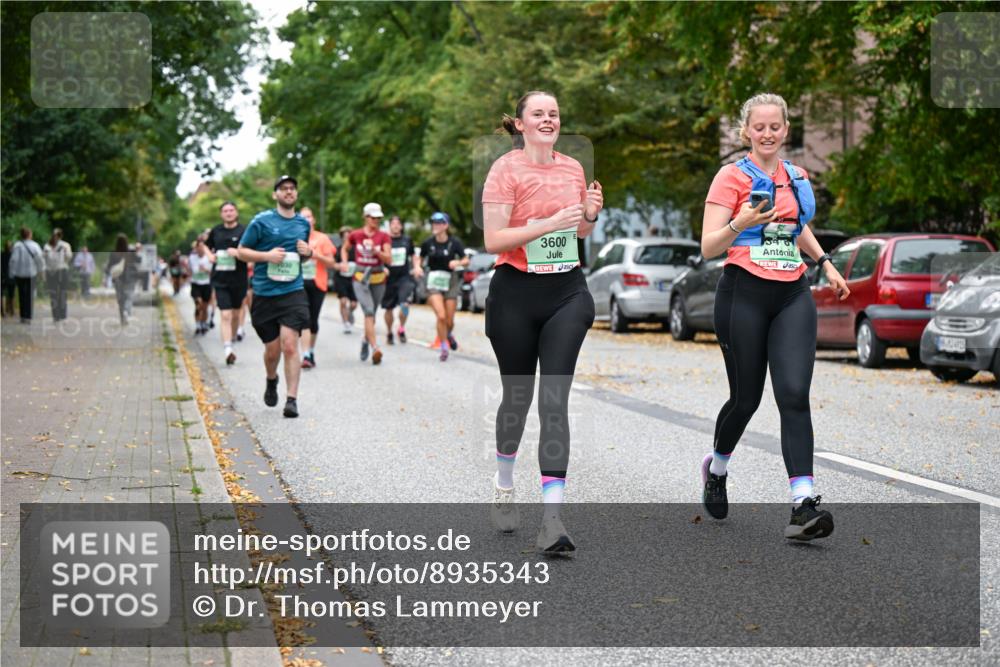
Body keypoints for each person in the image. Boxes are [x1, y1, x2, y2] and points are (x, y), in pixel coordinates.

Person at [699, 92, 850, 541]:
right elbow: (709, 246)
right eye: (759, 127)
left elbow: (794, 225)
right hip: (743, 292)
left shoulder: (796, 176)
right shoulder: (730, 177)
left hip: (792, 293)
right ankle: (717, 468)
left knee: (794, 393)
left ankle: (802, 505)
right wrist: (740, 221)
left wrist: (825, 262)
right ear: (747, 131)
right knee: (746, 398)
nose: (767, 133)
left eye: (775, 126)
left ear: (785, 129)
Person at [481, 91, 602, 554]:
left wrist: (588, 214)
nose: (548, 119)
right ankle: (505, 483)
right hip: (514, 292)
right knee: (517, 397)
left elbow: (579, 232)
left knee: (554, 398)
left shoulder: (572, 168)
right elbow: (495, 240)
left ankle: (552, 518)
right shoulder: (505, 170)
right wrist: (549, 222)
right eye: (539, 113)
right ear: (521, 123)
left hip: (566, 292)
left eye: (554, 114)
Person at [237, 175, 312, 418]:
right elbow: (241, 252)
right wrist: (267, 256)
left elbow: (302, 255)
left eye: (292, 189)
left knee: (290, 345)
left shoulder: (303, 224)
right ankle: (272, 379)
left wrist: (308, 253)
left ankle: (292, 400)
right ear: (275, 194)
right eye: (283, 189)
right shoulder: (262, 221)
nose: (288, 192)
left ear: (296, 194)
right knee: (272, 350)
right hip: (264, 293)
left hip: (293, 291)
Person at [342, 203, 392, 365]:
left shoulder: (384, 236)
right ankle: (375, 347)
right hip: (360, 279)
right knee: (369, 311)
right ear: (365, 217)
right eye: (373, 217)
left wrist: (376, 251)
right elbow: (344, 249)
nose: (376, 220)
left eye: (378, 218)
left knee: (372, 315)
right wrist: (344, 262)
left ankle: (365, 340)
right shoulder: (356, 235)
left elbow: (389, 259)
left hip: (378, 279)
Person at [415, 212, 468, 361]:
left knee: (450, 320)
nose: (435, 226)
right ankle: (444, 346)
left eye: (439, 223)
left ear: (446, 225)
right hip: (433, 281)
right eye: (433, 223)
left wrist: (457, 263)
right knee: (441, 315)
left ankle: (448, 333)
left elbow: (466, 259)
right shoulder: (428, 243)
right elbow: (419, 258)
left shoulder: (454, 243)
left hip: (450, 281)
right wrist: (418, 267)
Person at [205, 201, 248, 364]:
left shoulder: (244, 231)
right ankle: (228, 348)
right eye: (225, 211)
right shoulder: (216, 231)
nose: (228, 213)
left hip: (239, 279)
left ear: (236, 213)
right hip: (220, 279)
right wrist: (209, 255)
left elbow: (252, 251)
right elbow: (205, 246)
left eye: (231, 210)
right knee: (225, 314)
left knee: (236, 314)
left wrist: (238, 253)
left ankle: (233, 337)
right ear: (221, 214)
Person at [297, 207, 338, 369]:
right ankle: (305, 355)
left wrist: (315, 255)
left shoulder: (322, 238)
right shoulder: (295, 237)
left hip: (318, 283)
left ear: (313, 220)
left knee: (313, 320)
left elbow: (332, 263)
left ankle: (311, 350)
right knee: (304, 318)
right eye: (303, 217)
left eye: (309, 216)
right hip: (298, 284)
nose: (306, 219)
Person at [381, 215, 416, 345]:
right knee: (388, 309)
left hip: (404, 277)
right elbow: (379, 257)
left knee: (405, 305)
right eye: (393, 223)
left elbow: (413, 255)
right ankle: (389, 331)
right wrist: (382, 268)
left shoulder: (407, 240)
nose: (395, 226)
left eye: (398, 224)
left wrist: (416, 267)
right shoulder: (385, 240)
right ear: (390, 226)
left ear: (401, 226)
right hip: (388, 279)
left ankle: (401, 328)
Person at [8, 227, 44, 323]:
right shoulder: (35, 245)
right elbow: (40, 260)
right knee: (29, 295)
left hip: (19, 274)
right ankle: (28, 316)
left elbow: (13, 260)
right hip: (31, 273)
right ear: (30, 235)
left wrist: (11, 273)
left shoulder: (17, 245)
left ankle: (23, 316)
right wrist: (41, 271)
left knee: (21, 294)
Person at [107, 233, 140, 325]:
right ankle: (127, 312)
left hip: (118, 278)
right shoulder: (131, 252)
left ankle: (122, 318)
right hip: (131, 278)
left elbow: (109, 266)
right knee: (129, 297)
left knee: (120, 299)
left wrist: (108, 274)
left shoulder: (113, 253)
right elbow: (139, 260)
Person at [43, 228, 72, 321]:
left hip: (52, 271)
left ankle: (57, 315)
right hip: (61, 270)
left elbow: (43, 258)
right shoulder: (65, 245)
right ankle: (61, 315)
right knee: (61, 293)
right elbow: (68, 257)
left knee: (54, 294)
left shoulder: (47, 246)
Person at [334, 225, 358, 334]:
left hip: (353, 279)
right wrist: (339, 265)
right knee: (343, 301)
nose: (347, 238)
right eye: (345, 236)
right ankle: (345, 323)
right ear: (342, 237)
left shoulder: (356, 250)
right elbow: (332, 263)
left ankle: (349, 313)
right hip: (341, 278)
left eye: (349, 236)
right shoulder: (338, 250)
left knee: (353, 304)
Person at [188, 237, 213, 335]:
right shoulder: (192, 257)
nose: (201, 249)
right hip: (196, 284)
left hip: (206, 284)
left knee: (205, 307)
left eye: (203, 247)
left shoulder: (209, 258)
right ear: (196, 248)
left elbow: (213, 273)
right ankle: (198, 324)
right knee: (198, 304)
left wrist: (205, 270)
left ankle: (203, 323)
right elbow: (189, 270)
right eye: (199, 247)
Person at [1, 240, 14, 317]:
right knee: (11, 295)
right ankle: (11, 311)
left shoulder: (1, 255)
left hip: (2, 277)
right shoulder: (13, 255)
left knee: (2, 294)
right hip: (11, 277)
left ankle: (3, 312)